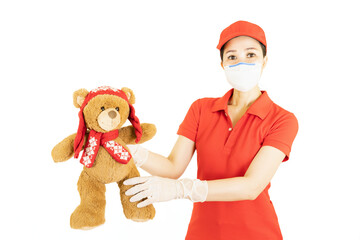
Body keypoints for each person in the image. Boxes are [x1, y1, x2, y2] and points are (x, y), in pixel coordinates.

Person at [123, 20, 299, 240]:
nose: (241, 62)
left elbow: (251, 187)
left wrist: (181, 190)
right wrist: (132, 153)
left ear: (264, 60)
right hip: (202, 232)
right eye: (232, 57)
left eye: (251, 55)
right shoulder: (201, 109)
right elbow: (172, 167)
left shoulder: (282, 119)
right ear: (223, 64)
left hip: (257, 233)